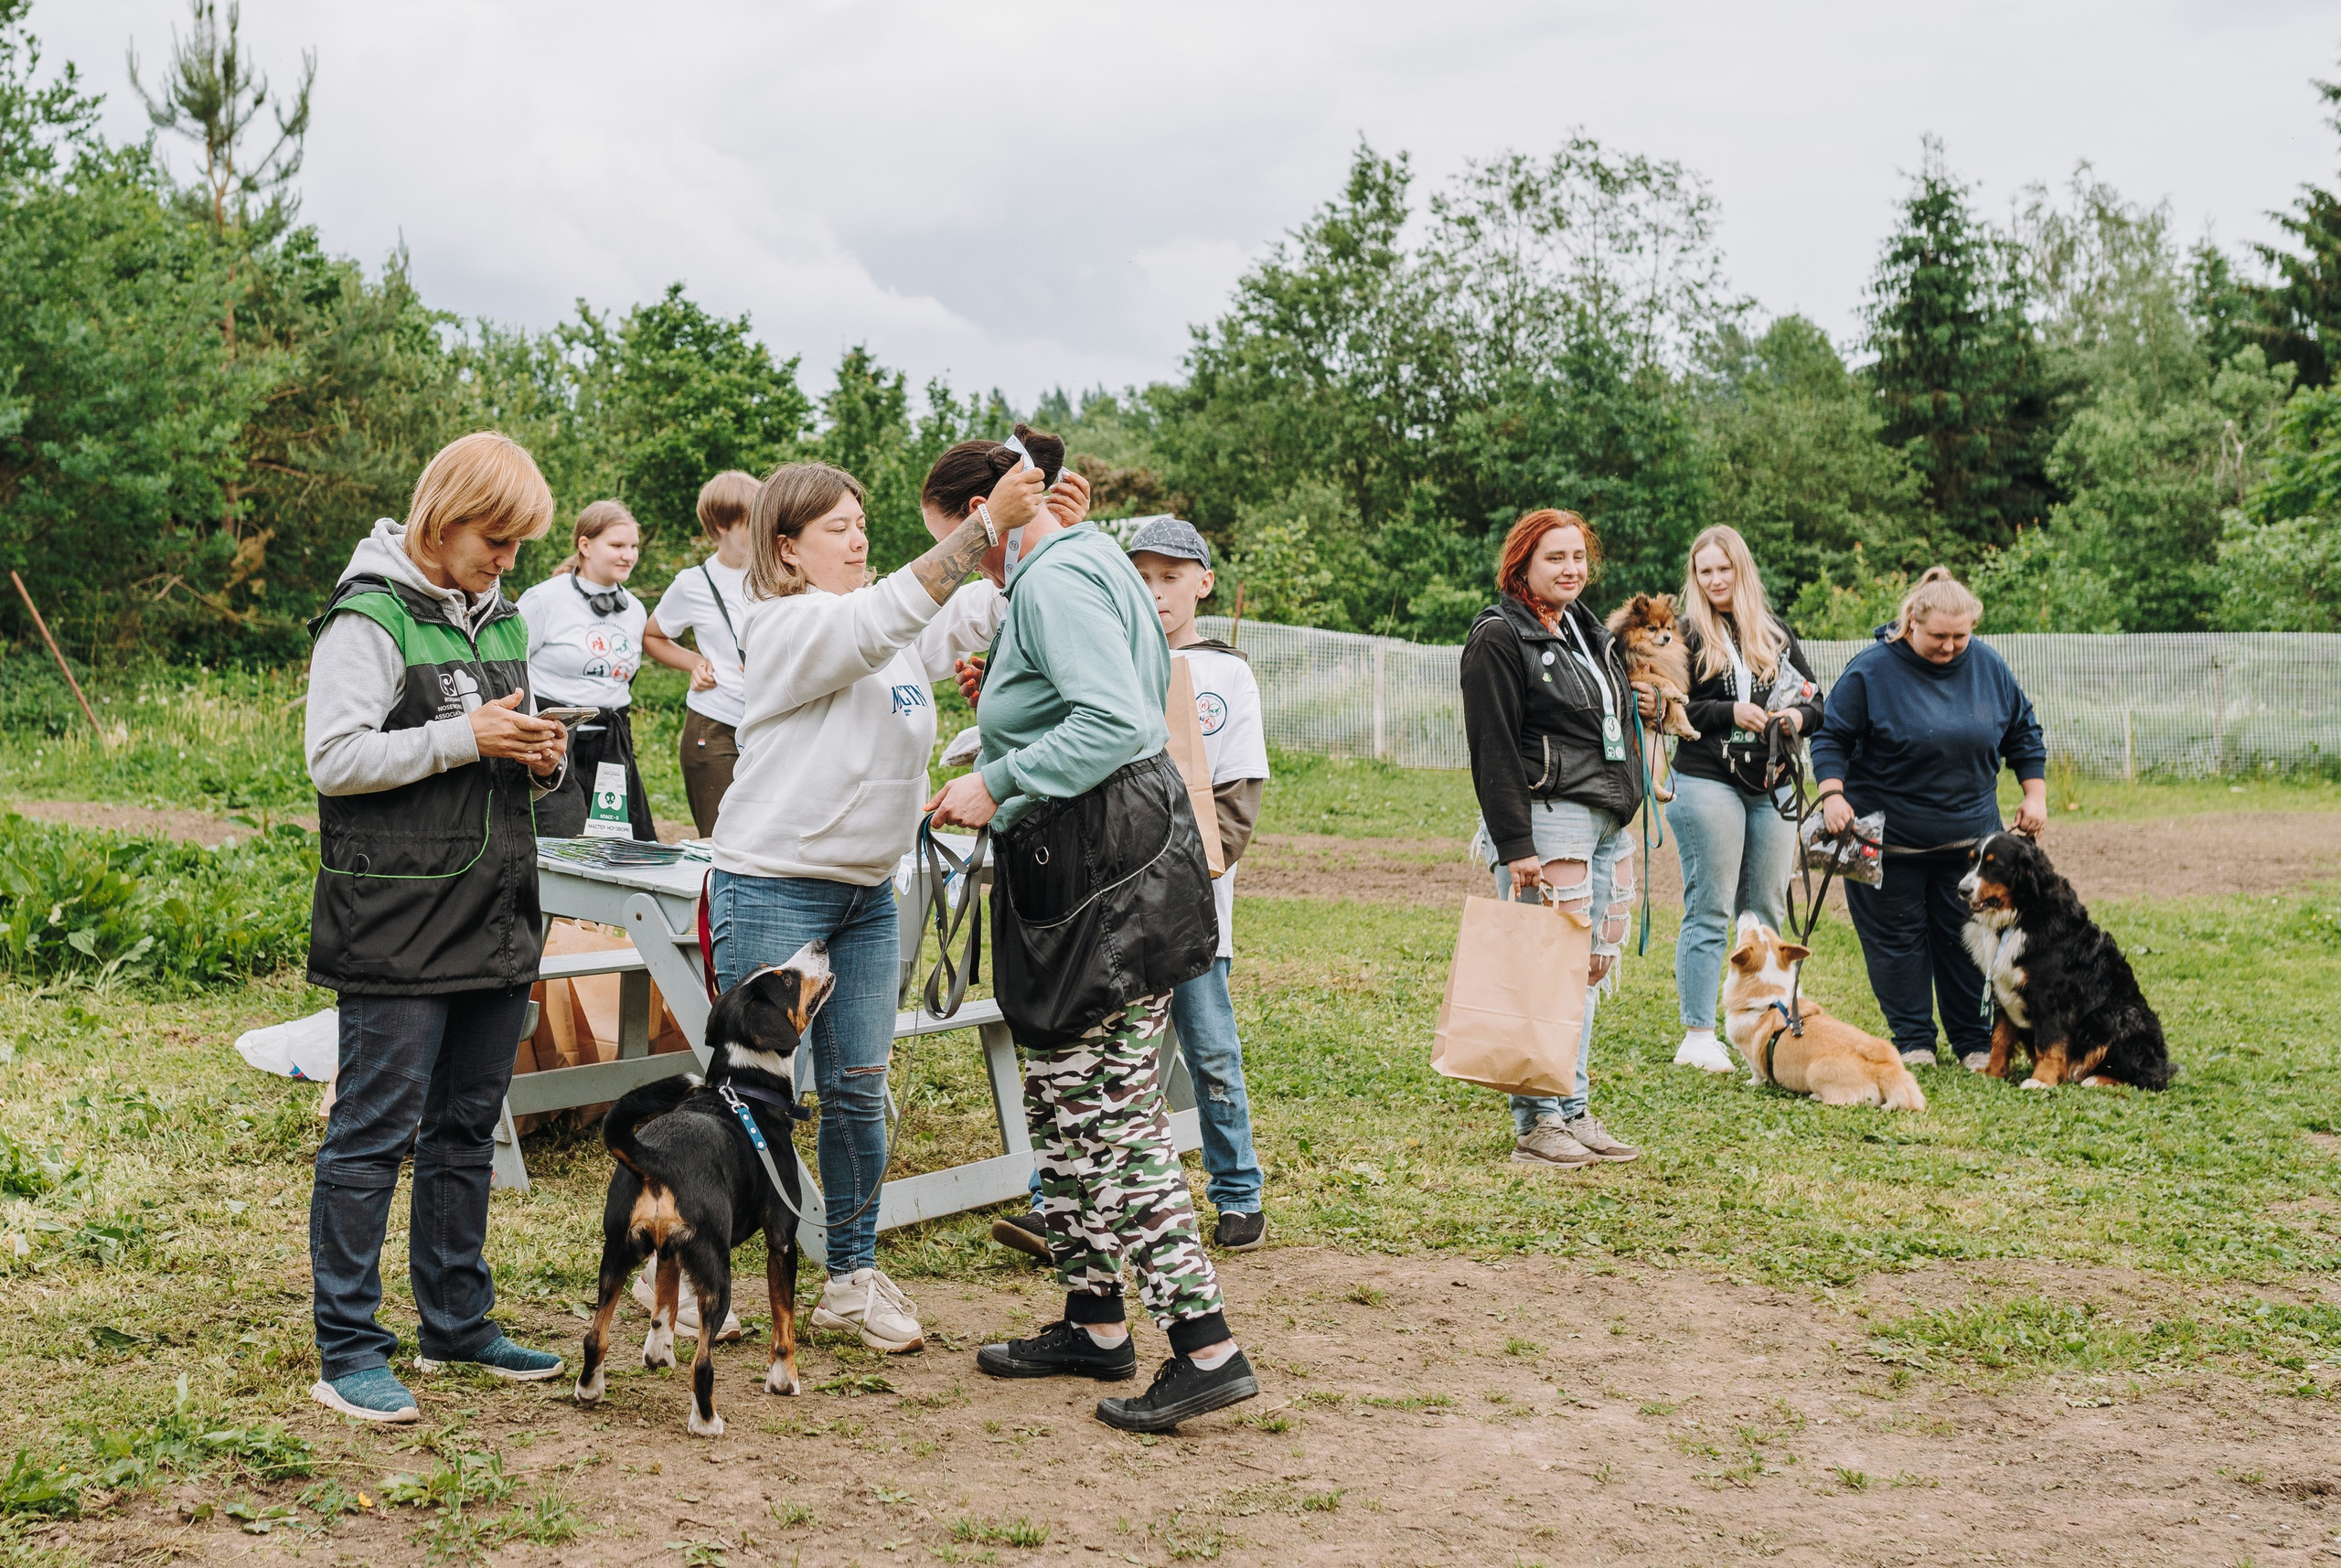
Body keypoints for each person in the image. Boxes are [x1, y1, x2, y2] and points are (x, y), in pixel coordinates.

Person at [928, 436, 1260, 1435]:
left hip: (1101, 870)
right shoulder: (1085, 560)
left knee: (1112, 1118)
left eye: (958, 544)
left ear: (987, 512)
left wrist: (997, 778)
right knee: (1063, 1099)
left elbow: (1118, 720)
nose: (965, 568)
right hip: (1096, 862)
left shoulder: (1053, 575)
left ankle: (1204, 1345)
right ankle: (1094, 1317)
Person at [708, 454, 1049, 1354]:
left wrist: (1027, 529)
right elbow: (885, 613)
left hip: (865, 894)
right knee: (756, 1092)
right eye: (835, 528)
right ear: (784, 545)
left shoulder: (885, 628)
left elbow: (967, 609)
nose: (858, 539)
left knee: (860, 1091)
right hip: (773, 882)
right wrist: (980, 526)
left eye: (862, 523)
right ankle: (707, 1272)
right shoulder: (781, 624)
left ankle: (849, 1276)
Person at [302, 431, 573, 1423]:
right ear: (440, 514)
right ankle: (348, 1349)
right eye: (493, 539)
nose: (507, 561)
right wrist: (470, 737)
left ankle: (456, 1321)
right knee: (372, 1133)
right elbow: (333, 758)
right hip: (397, 919)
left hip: (494, 911)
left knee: (465, 1128)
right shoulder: (367, 616)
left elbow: (505, 741)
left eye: (517, 545)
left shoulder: (498, 620)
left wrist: (543, 758)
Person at [988, 517, 1271, 1264]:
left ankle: (1238, 1189)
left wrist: (1189, 868)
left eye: (1170, 577)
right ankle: (1061, 1208)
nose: (1154, 591)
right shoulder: (1103, 652)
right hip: (1105, 907)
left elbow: (1240, 789)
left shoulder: (1224, 673)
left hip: (1189, 899)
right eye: (1140, 575)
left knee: (1210, 1050)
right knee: (1103, 1057)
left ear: (1203, 582)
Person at [1459, 508, 1648, 1171]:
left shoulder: (1585, 632)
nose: (1571, 569)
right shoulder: (1498, 636)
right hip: (1545, 820)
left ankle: (1572, 1109)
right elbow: (1492, 747)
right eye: (1554, 558)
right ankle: (1536, 1122)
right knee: (1541, 972)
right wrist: (1516, 845)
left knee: (1584, 969)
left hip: (1600, 817)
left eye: (1578, 557)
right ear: (1522, 566)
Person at [1809, 567, 2047, 1070]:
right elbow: (1832, 737)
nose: (1951, 647)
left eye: (1962, 636)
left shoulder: (1988, 665)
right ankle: (1914, 1040)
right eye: (1939, 636)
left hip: (1971, 845)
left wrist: (2035, 793)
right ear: (1911, 623)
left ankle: (1973, 1042)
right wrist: (1832, 794)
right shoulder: (1871, 670)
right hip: (1884, 841)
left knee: (1967, 942)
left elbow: (2023, 732)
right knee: (1896, 942)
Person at [1665, 525, 1826, 1073]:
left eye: (1724, 569)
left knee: (1765, 911)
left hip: (1772, 782)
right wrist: (1728, 713)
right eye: (1704, 571)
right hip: (1706, 777)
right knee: (1711, 906)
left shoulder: (1773, 633)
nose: (1715, 580)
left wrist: (1795, 717)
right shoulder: (1682, 635)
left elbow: (1817, 701)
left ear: (1742, 571)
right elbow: (1674, 708)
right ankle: (1698, 1034)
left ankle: (1770, 1018)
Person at [518, 500, 655, 839]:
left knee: (621, 844)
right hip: (555, 740)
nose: (629, 555)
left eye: (634, 546)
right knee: (564, 841)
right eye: (617, 545)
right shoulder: (543, 600)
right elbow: (511, 666)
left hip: (611, 742)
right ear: (585, 545)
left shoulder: (635, 610)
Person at [644, 471, 757, 838]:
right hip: (716, 725)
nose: (763, 529)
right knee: (721, 843)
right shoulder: (693, 583)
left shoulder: (781, 573)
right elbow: (653, 635)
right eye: (752, 521)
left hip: (772, 726)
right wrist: (696, 663)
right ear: (722, 525)